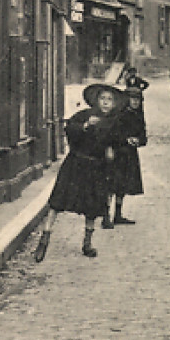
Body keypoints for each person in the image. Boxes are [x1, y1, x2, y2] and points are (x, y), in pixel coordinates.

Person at [33, 83, 126, 262]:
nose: (106, 103)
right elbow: (69, 128)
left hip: (96, 168)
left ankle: (87, 243)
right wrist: (84, 126)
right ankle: (44, 238)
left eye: (110, 100)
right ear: (96, 101)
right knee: (57, 201)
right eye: (103, 99)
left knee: (91, 207)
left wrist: (111, 149)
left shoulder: (114, 123)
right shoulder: (85, 115)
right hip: (75, 163)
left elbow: (117, 142)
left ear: (114, 104)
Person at [111, 86, 146, 225]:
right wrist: (125, 139)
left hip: (129, 155)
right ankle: (106, 215)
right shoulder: (118, 115)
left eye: (138, 99)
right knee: (111, 185)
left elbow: (143, 136)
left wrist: (138, 140)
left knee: (122, 186)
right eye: (133, 99)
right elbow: (112, 134)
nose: (135, 102)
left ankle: (117, 214)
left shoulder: (138, 116)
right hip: (116, 153)